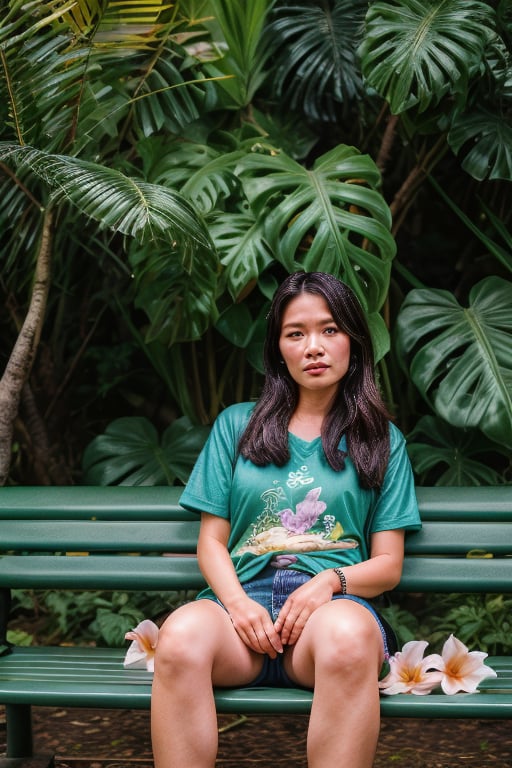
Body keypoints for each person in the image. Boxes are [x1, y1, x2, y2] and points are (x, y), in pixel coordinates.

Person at [151, 271, 421, 768]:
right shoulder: (237, 426)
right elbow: (212, 543)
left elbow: (388, 566)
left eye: (330, 329)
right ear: (278, 349)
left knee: (347, 637)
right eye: (296, 333)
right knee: (181, 636)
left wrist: (328, 584)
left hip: (328, 617)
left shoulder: (381, 441)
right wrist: (236, 604)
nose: (313, 346)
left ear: (354, 342)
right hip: (240, 618)